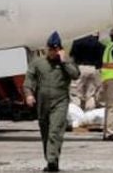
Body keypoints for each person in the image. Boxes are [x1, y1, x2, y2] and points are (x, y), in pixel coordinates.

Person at [24, 31, 80, 172]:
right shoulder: (38, 63)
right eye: (50, 49)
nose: (52, 52)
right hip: (42, 103)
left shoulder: (67, 62)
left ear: (60, 49)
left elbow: (75, 75)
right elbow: (29, 80)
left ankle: (52, 161)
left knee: (55, 132)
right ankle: (51, 160)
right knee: (46, 133)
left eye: (55, 49)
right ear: (46, 48)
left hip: (60, 102)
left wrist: (64, 61)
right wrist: (29, 94)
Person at [69, 31, 104, 111]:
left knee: (77, 94)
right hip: (93, 69)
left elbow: (72, 57)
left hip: (80, 68)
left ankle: (77, 112)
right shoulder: (99, 45)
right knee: (91, 94)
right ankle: (89, 113)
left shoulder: (77, 42)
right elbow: (101, 61)